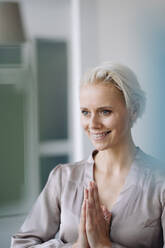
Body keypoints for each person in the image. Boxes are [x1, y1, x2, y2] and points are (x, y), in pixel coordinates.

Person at [11, 62, 165, 248]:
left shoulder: (160, 182)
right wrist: (77, 246)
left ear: (133, 110)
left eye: (105, 111)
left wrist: (103, 245)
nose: (93, 124)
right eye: (85, 112)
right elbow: (21, 245)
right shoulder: (63, 178)